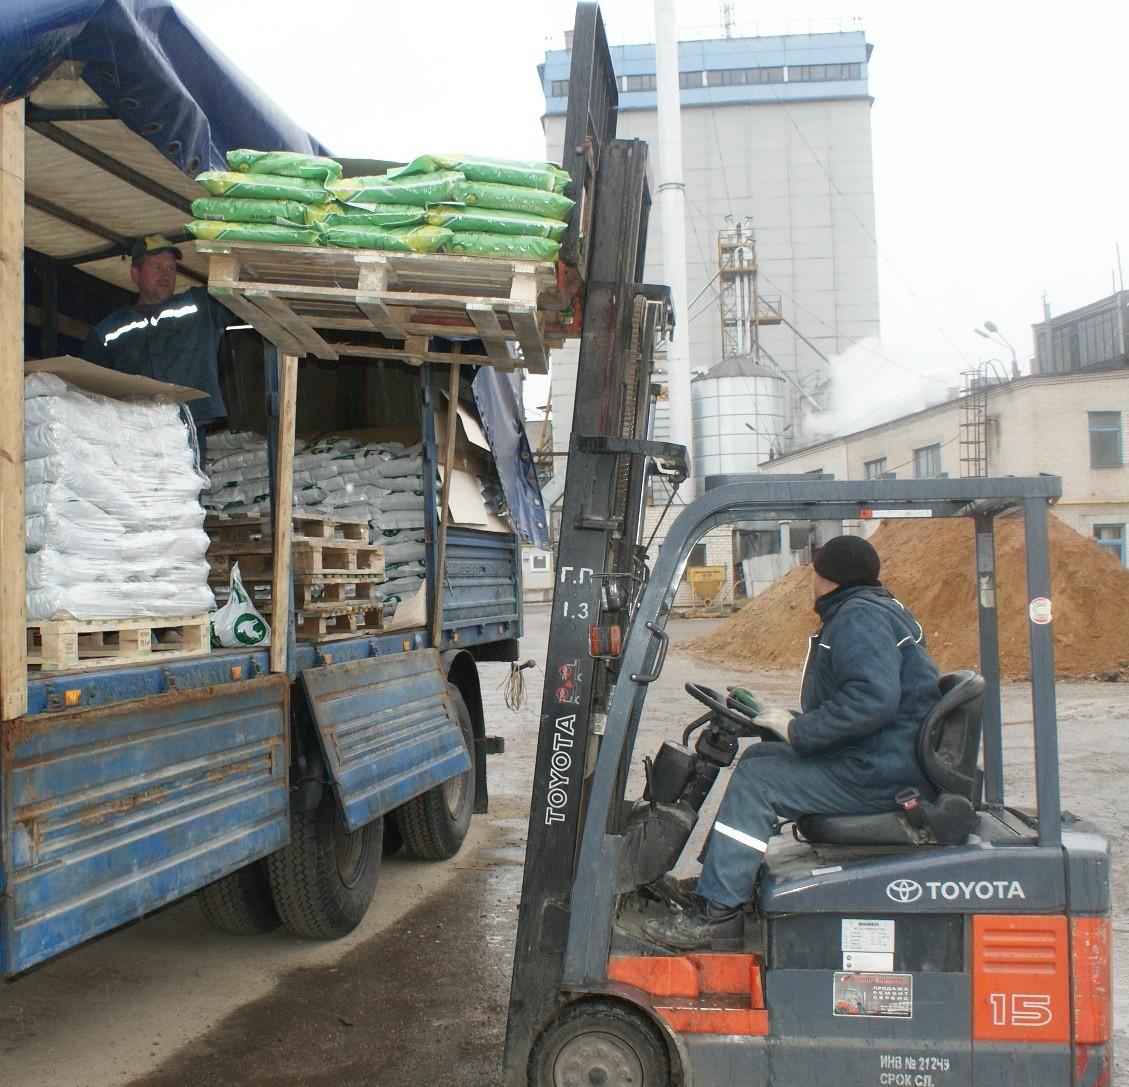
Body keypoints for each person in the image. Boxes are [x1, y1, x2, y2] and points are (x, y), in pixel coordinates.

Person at [645, 534, 941, 951]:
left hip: (877, 771)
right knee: (761, 757)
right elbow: (862, 701)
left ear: (830, 578)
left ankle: (718, 915)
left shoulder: (858, 617)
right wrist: (781, 725)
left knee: (760, 781)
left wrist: (799, 731)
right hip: (883, 758)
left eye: (815, 572)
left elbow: (873, 699)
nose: (810, 580)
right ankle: (721, 885)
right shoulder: (873, 610)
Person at [82, 234, 231, 461]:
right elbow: (86, 389)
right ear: (135, 274)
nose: (165, 275)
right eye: (157, 267)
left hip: (186, 431)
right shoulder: (108, 330)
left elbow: (238, 290)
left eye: (171, 269)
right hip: (134, 436)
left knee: (185, 494)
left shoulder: (200, 305)